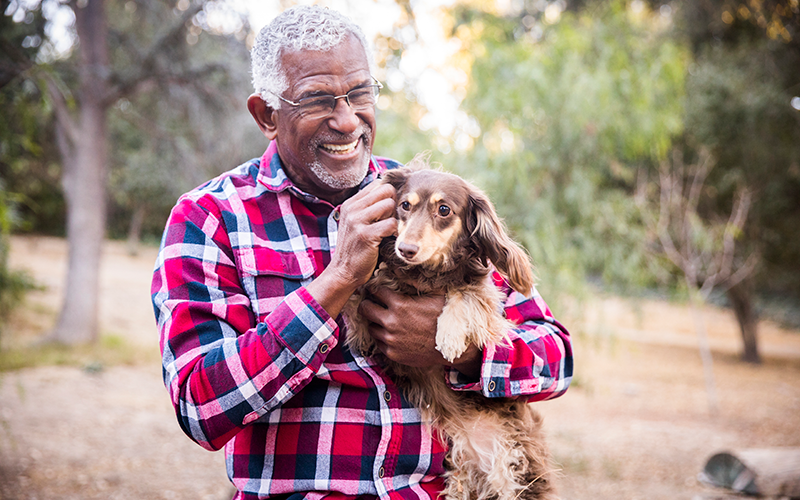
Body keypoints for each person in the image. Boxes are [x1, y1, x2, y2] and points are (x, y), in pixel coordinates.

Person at [151, 5, 573, 500]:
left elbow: (556, 357)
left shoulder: (424, 202)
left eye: (360, 93)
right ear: (267, 115)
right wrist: (335, 282)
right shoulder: (210, 218)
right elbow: (201, 408)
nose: (348, 120)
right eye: (317, 100)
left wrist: (461, 354)